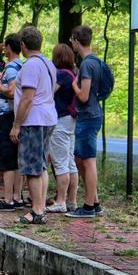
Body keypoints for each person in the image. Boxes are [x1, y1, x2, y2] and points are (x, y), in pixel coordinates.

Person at [10, 26, 57, 224]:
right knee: (41, 165)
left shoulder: (30, 65)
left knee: (31, 167)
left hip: (33, 120)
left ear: (22, 45)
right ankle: (41, 207)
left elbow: (27, 98)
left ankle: (37, 210)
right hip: (48, 117)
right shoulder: (48, 64)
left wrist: (16, 125)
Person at [67, 25, 104, 218]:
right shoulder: (94, 61)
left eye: (71, 40)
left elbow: (83, 95)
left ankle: (89, 206)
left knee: (88, 161)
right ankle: (95, 201)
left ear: (75, 41)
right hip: (89, 115)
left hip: (88, 116)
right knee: (79, 158)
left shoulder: (87, 64)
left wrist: (74, 83)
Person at [0, 33, 24, 211]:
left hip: (7, 114)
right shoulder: (22, 66)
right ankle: (17, 197)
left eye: (4, 46)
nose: (3, 48)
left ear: (9, 47)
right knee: (17, 158)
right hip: (17, 114)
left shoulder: (11, 68)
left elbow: (11, 91)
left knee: (7, 156)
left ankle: (8, 199)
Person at [46, 43, 80, 213]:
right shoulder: (73, 74)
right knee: (70, 162)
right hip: (71, 120)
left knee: (60, 163)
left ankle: (61, 201)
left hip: (59, 121)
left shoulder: (61, 75)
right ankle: (72, 201)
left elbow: (48, 93)